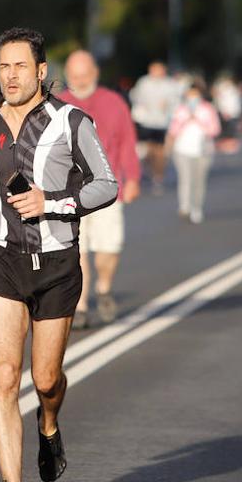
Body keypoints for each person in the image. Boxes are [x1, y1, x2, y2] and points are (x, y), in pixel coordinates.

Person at [0, 27, 118, 482]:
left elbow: (106, 185)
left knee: (45, 379)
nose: (11, 75)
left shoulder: (71, 121)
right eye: (4, 66)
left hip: (57, 263)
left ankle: (49, 423)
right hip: (0, 260)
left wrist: (53, 203)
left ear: (42, 71)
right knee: (4, 376)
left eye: (20, 66)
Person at [57, 50, 141, 329]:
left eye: (84, 75)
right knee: (76, 252)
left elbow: (128, 141)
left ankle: (103, 288)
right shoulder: (58, 105)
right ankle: (79, 306)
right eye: (74, 76)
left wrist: (133, 179)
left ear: (95, 74)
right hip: (70, 191)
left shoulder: (114, 102)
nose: (79, 81)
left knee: (107, 248)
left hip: (107, 187)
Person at [167, 79, 222, 224]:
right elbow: (173, 130)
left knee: (199, 181)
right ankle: (184, 206)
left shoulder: (208, 109)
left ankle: (197, 208)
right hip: (182, 150)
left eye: (195, 94)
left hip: (203, 151)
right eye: (190, 94)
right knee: (185, 179)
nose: (192, 97)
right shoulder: (180, 109)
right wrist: (185, 120)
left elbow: (215, 130)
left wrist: (198, 120)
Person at [128, 61, 181, 193]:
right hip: (147, 121)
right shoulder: (144, 83)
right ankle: (148, 171)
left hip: (162, 122)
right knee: (147, 149)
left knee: (160, 151)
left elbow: (176, 101)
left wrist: (167, 104)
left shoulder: (169, 84)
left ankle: (158, 176)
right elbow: (135, 96)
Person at [211, 73, 242, 155]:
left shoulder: (234, 90)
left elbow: (236, 102)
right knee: (227, 131)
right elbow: (220, 102)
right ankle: (226, 146)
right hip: (225, 113)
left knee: (232, 130)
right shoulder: (222, 90)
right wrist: (224, 112)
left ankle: (231, 146)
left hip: (234, 113)